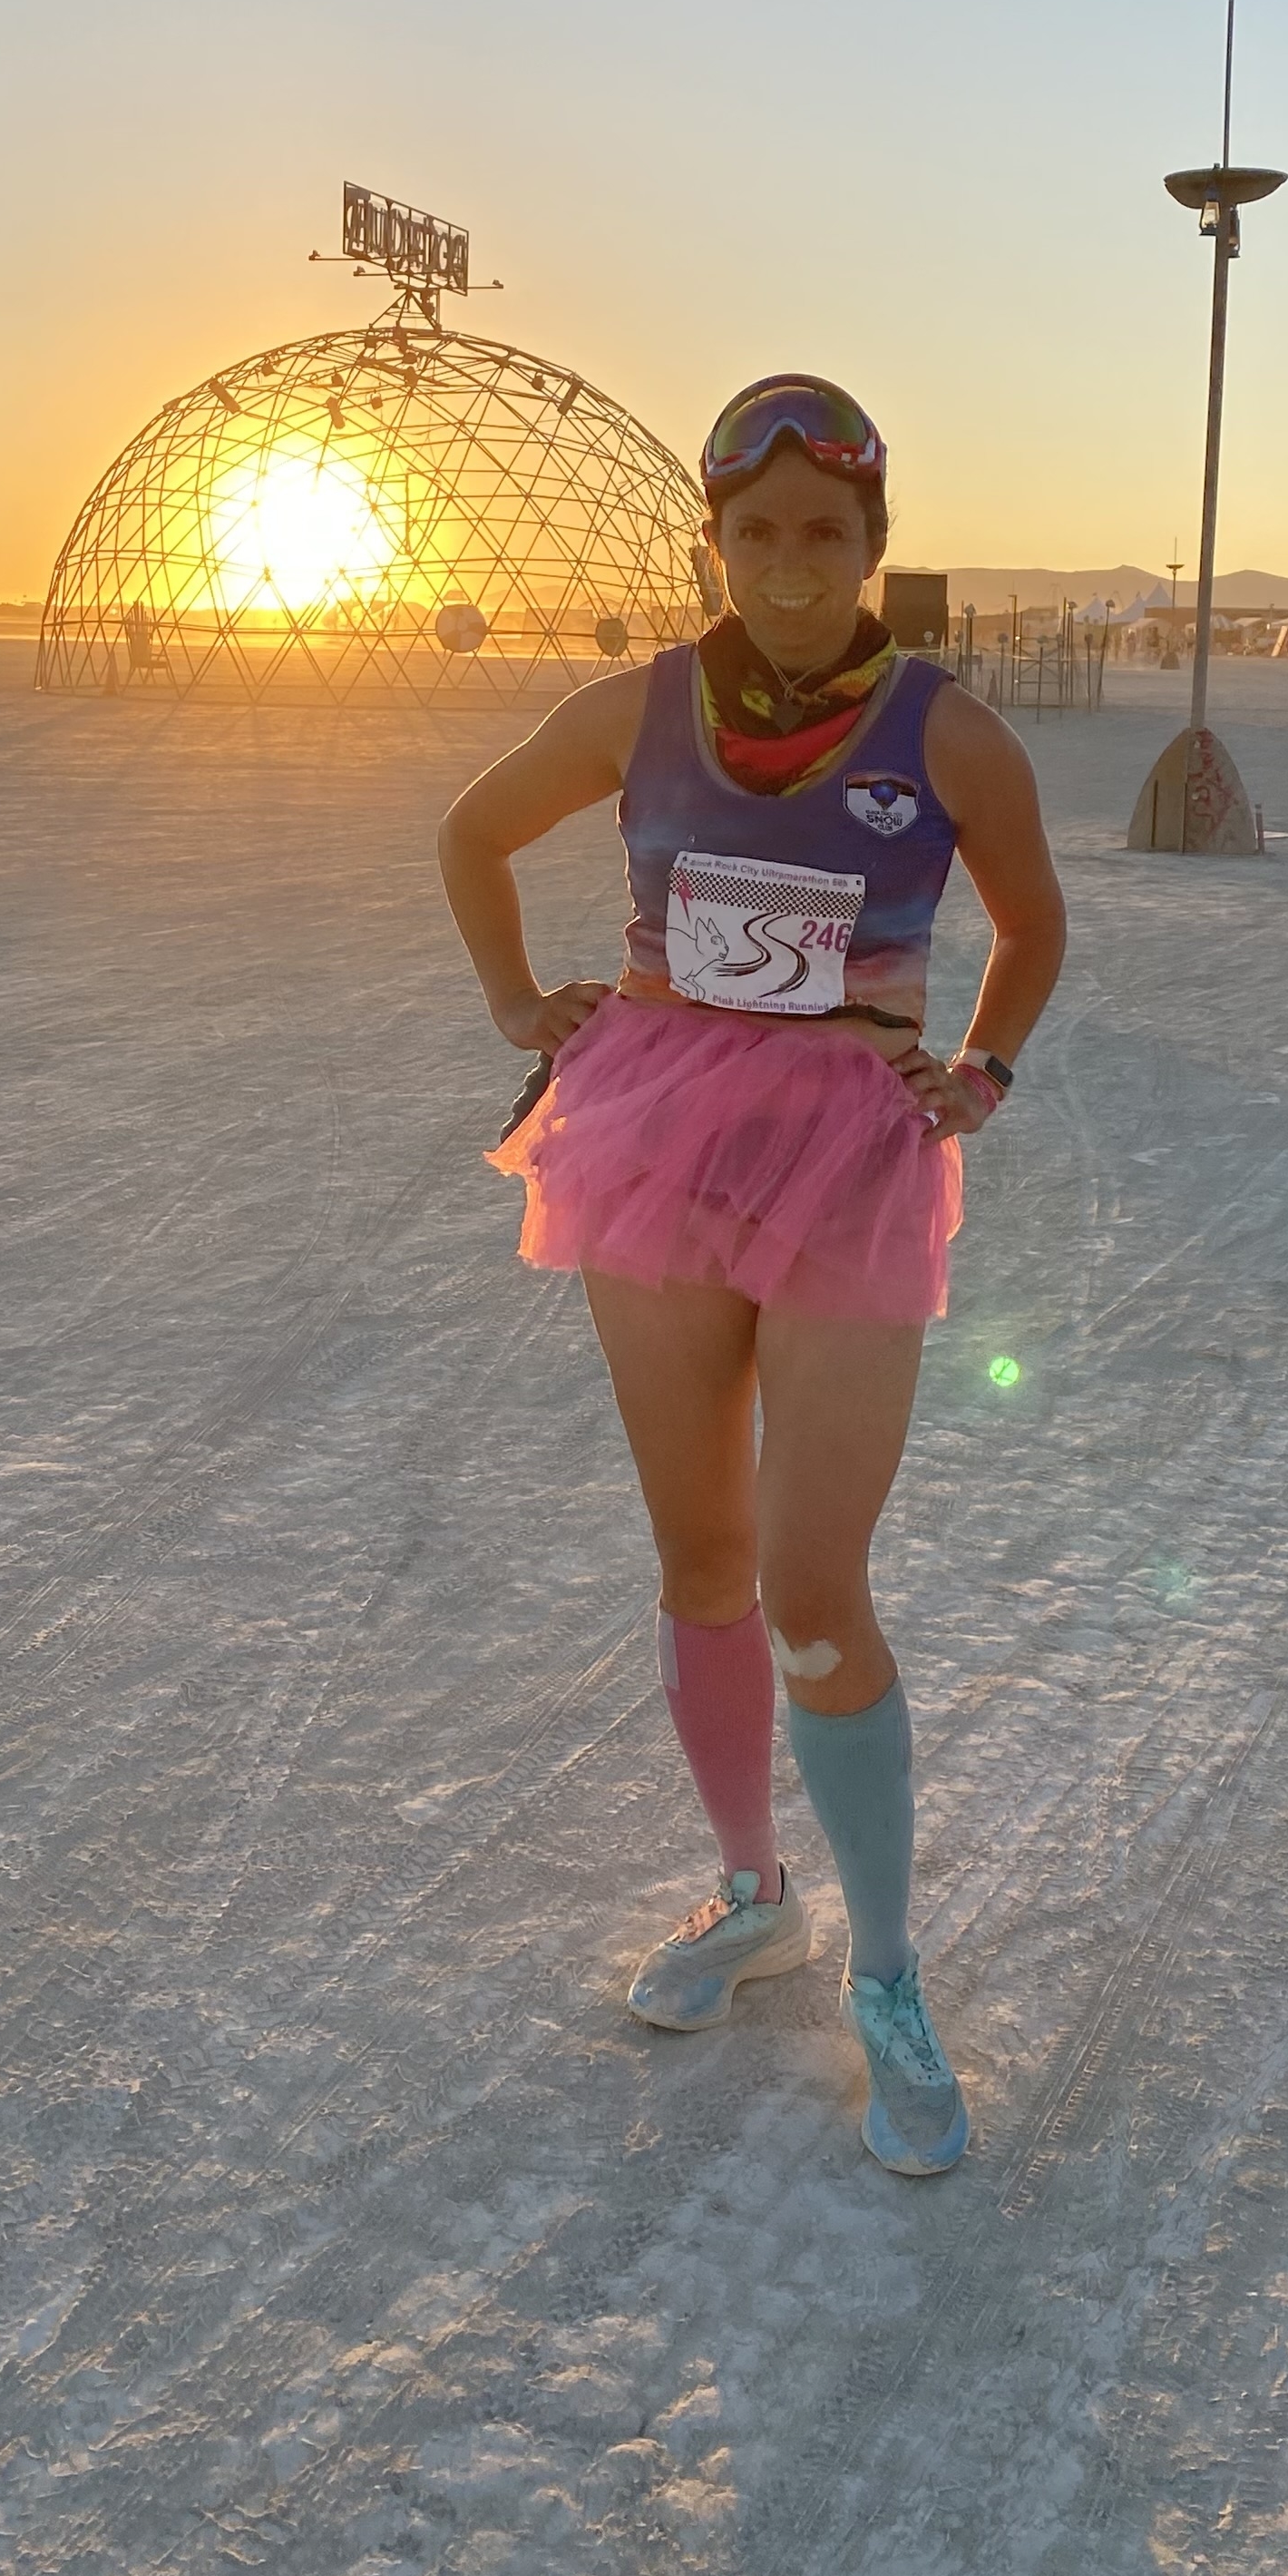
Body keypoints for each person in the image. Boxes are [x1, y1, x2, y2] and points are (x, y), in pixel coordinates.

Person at [439, 379, 1067, 2176]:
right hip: (650, 1136)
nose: (792, 566)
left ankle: (890, 1975)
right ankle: (749, 1895)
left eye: (829, 532)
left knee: (811, 1585)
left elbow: (1030, 922)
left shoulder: (948, 734)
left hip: (855, 1156)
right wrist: (514, 1005)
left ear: (876, 546)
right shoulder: (641, 707)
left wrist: (987, 1068)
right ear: (712, 540)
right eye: (760, 530)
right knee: (702, 1559)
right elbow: (471, 832)